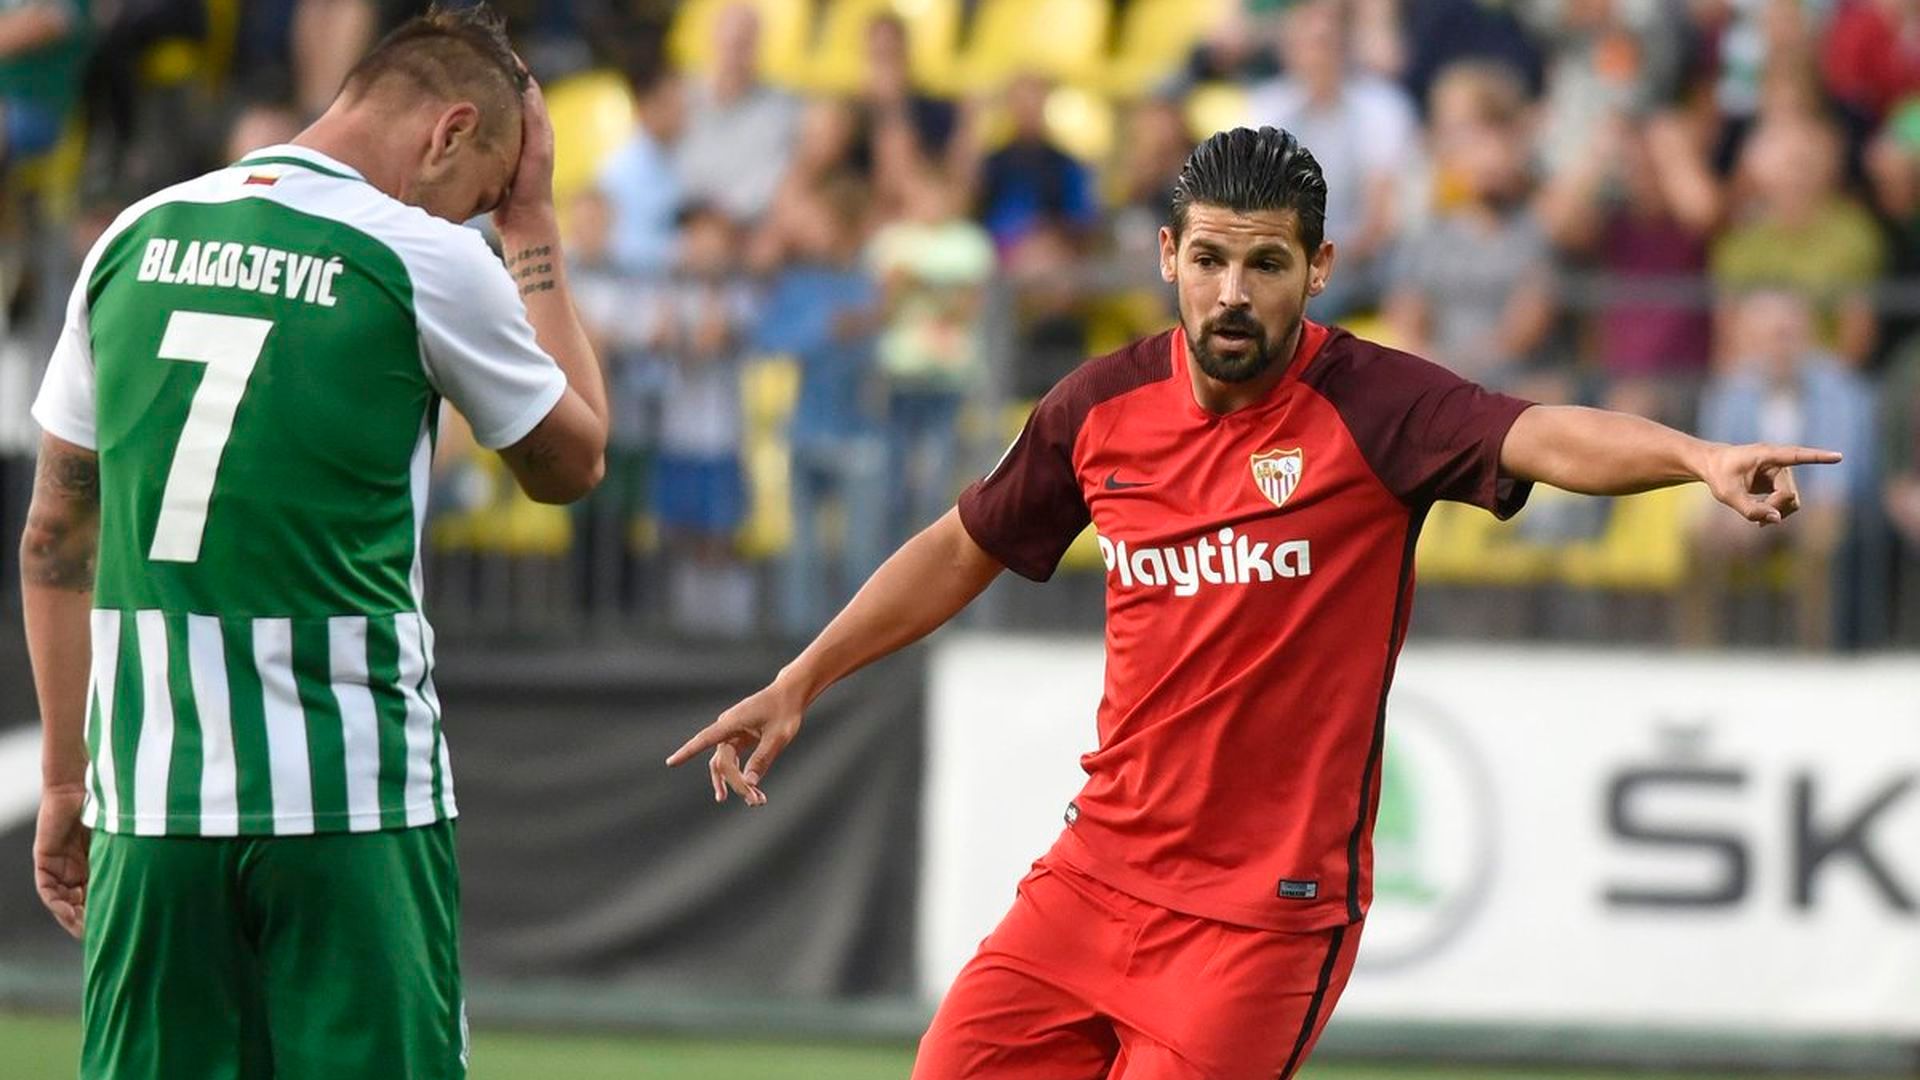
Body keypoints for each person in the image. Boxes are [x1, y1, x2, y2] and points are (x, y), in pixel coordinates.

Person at [666, 127, 1839, 1080]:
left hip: (1263, 919)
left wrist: (1695, 455)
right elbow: (961, 546)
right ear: (1167, 254)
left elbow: (1539, 431)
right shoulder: (1099, 408)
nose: (1234, 293)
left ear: (1316, 270)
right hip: (1093, 883)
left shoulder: (1375, 405)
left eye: (1267, 265)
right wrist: (798, 679)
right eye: (1211, 259)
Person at [21, 7, 608, 1077]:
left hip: (153, 806)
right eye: (479, 189)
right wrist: (529, 230)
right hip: (353, 800)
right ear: (450, 132)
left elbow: (56, 535)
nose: (471, 214)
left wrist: (70, 781)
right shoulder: (423, 255)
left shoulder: (133, 238)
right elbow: (574, 462)